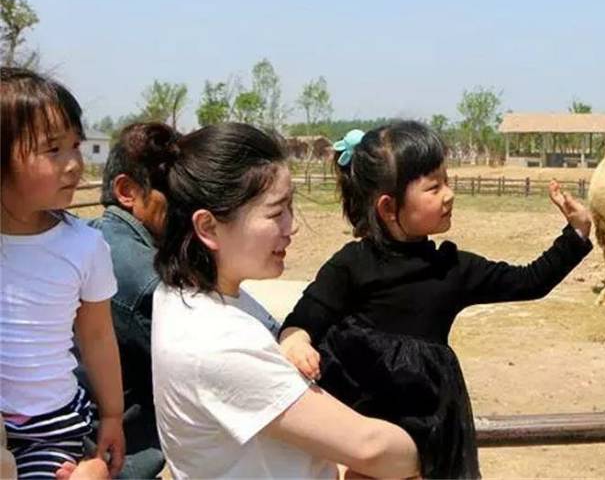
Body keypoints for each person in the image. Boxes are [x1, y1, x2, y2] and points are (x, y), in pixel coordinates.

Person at [279, 121, 594, 478]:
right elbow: (304, 318)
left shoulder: (452, 268)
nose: (449, 194)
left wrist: (576, 234)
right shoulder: (351, 265)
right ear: (387, 207)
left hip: (429, 438)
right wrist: (296, 341)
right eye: (433, 187)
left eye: (447, 181)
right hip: (362, 439)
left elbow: (529, 281)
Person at [151, 122, 419, 479]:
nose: (291, 226)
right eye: (277, 212)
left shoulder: (188, 296)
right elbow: (369, 447)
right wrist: (439, 445)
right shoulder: (217, 342)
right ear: (209, 228)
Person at [1, 67, 125, 478]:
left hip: (50, 428)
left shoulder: (83, 246)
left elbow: (97, 335)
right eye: (53, 149)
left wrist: (111, 415)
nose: (74, 164)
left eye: (76, 145)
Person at [84, 122, 179, 478]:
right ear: (127, 191)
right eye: (175, 194)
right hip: (114, 461)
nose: (187, 208)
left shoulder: (93, 236)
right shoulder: (145, 277)